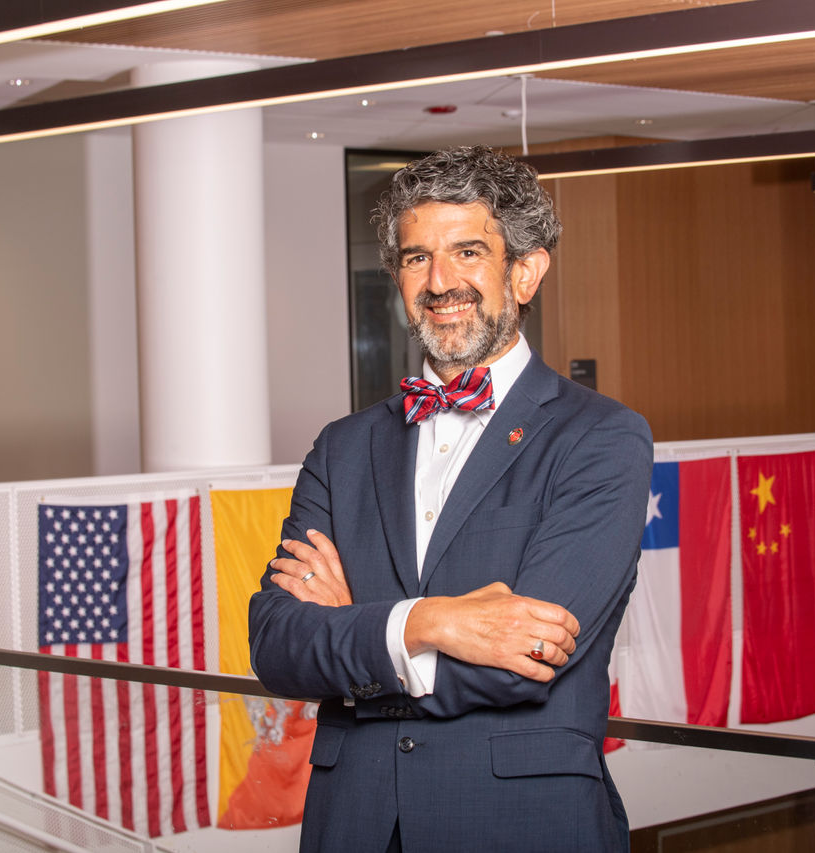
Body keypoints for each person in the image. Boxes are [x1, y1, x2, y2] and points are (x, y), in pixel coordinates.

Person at [248, 145, 654, 853]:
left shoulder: (602, 438)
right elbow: (278, 643)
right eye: (415, 258)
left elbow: (529, 652)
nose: (440, 281)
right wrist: (428, 623)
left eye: (468, 251)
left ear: (524, 271)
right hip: (356, 826)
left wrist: (358, 630)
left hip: (522, 828)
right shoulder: (342, 448)